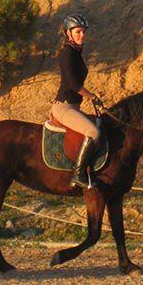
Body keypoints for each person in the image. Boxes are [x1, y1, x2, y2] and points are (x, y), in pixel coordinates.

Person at [51, 13, 104, 189]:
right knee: (93, 132)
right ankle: (78, 175)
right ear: (68, 33)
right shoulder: (67, 53)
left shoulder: (75, 53)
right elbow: (74, 85)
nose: (82, 35)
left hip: (73, 106)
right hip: (64, 107)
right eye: (78, 32)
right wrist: (93, 97)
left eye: (83, 32)